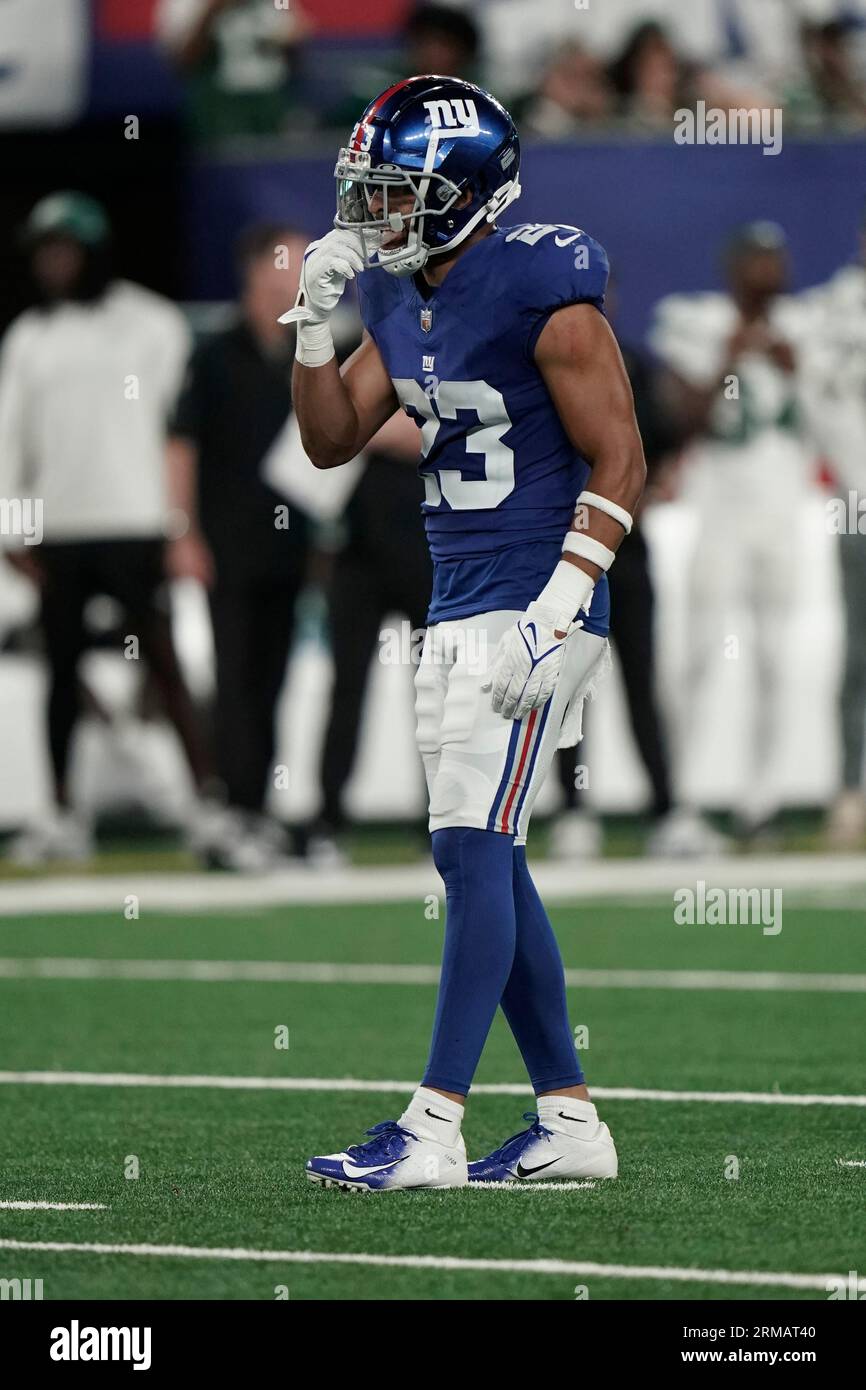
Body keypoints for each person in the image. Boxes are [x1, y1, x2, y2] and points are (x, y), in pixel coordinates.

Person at [287, 76, 645, 1190]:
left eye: (397, 192)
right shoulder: (395, 296)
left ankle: (431, 1125)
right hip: (455, 594)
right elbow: (331, 440)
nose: (375, 212)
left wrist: (560, 604)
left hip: (537, 594)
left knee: (476, 846)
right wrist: (308, 325)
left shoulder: (545, 281)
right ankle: (569, 1121)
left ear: (465, 193)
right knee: (473, 847)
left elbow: (622, 457)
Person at [0, 191, 209, 863]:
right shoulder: (29, 337)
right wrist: (13, 532)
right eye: (45, 252)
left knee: (164, 661)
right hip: (59, 528)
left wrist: (180, 526)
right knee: (60, 673)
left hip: (138, 522)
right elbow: (10, 444)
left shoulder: (151, 324)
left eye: (66, 250)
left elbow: (181, 436)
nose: (55, 264)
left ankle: (208, 801)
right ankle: (63, 813)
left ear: (92, 254)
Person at [650, 222, 815, 841]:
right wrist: (730, 355)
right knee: (700, 653)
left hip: (782, 509)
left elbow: (830, 413)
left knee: (774, 656)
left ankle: (761, 800)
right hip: (718, 509)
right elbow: (681, 417)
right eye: (758, 260)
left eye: (777, 260)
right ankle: (682, 799)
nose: (770, 272)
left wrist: (797, 369)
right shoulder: (697, 320)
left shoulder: (807, 327)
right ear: (733, 266)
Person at [168, 222, 312, 870]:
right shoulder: (215, 353)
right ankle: (231, 809)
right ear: (257, 270)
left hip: (290, 545)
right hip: (228, 543)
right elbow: (181, 445)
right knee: (234, 681)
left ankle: (258, 808)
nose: (300, 272)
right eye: (290, 260)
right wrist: (185, 532)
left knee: (274, 679)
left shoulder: (307, 352)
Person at [799, 209, 866, 848]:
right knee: (859, 657)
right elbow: (819, 405)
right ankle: (852, 791)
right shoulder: (832, 310)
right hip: (862, 504)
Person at [156, 0, 313, 142]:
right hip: (216, 105)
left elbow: (295, 46)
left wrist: (287, 39)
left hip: (271, 98)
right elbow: (182, 63)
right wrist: (213, 10)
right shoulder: (183, 4)